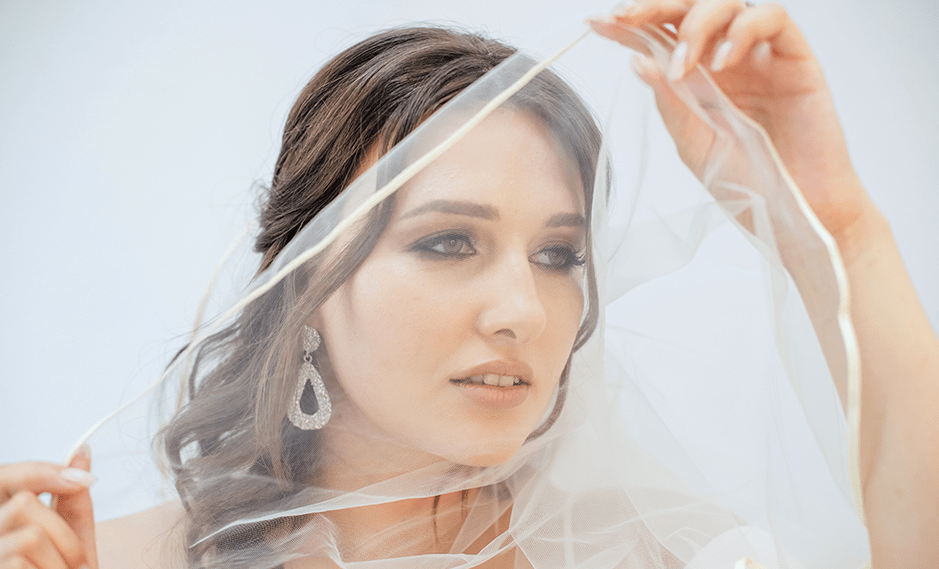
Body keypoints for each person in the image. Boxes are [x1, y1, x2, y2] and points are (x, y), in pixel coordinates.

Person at [1, 1, 936, 568]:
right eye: (449, 243)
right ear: (305, 276)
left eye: (558, 255)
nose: (523, 312)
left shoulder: (650, 551)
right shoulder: (101, 559)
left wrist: (840, 224)